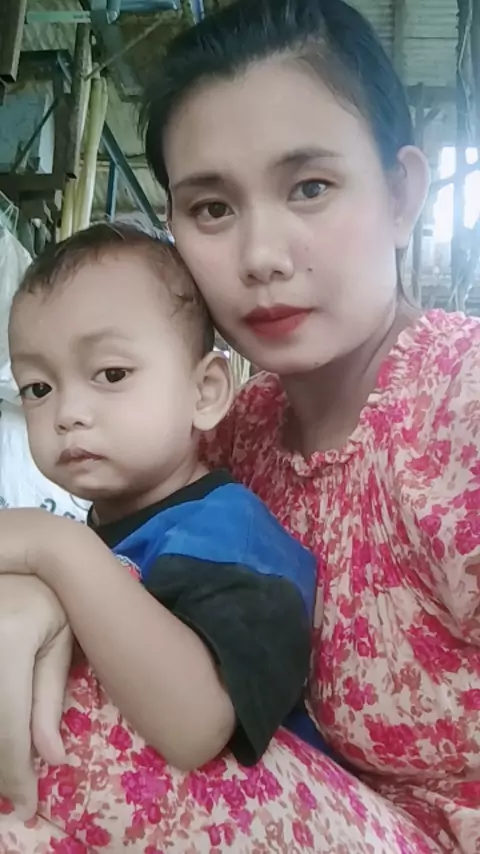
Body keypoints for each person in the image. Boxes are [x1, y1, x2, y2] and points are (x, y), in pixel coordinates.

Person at [0, 0, 478, 849]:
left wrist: (53, 554)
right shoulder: (234, 433)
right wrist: (36, 596)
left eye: (310, 187)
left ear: (402, 193)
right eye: (212, 209)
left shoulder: (460, 408)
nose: (261, 256)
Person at [0, 221, 319, 849]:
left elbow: (194, 726)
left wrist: (56, 547)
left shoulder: (232, 537)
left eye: (111, 373)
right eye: (38, 387)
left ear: (205, 392)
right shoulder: (101, 528)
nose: (67, 413)